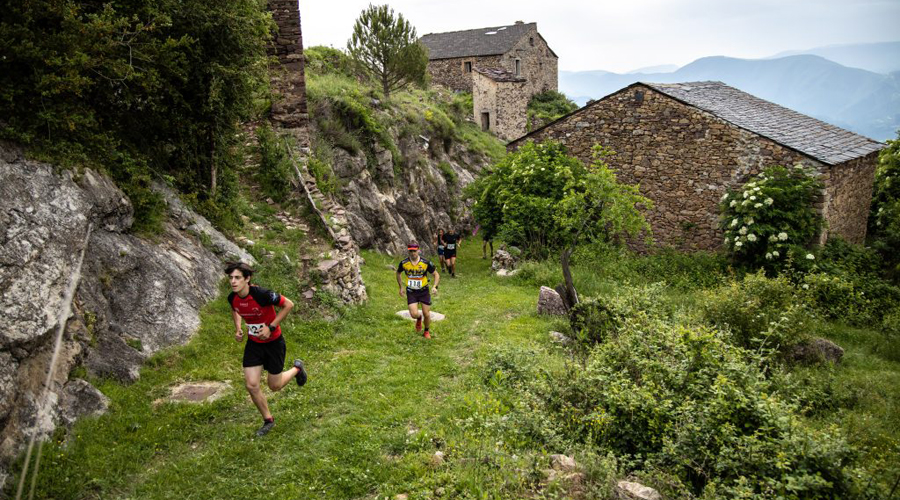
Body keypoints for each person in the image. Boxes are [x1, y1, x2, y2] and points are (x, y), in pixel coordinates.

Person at [226, 262, 307, 437]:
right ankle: (268, 420)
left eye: (237, 278)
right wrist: (238, 328)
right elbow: (236, 309)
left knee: (274, 386)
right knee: (251, 385)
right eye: (231, 278)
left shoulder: (262, 294)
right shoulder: (232, 297)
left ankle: (297, 368)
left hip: (274, 343)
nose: (233, 281)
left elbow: (289, 305)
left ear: (247, 279)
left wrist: (270, 327)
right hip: (254, 345)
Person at [396, 242, 440, 339]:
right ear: (408, 251)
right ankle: (419, 318)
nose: (413, 253)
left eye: (414, 251)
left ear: (418, 250)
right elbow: (398, 273)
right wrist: (401, 287)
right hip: (411, 292)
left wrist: (434, 286)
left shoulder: (425, 262)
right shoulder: (404, 263)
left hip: (424, 291)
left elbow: (436, 274)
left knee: (427, 314)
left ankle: (426, 331)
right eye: (411, 251)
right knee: (414, 314)